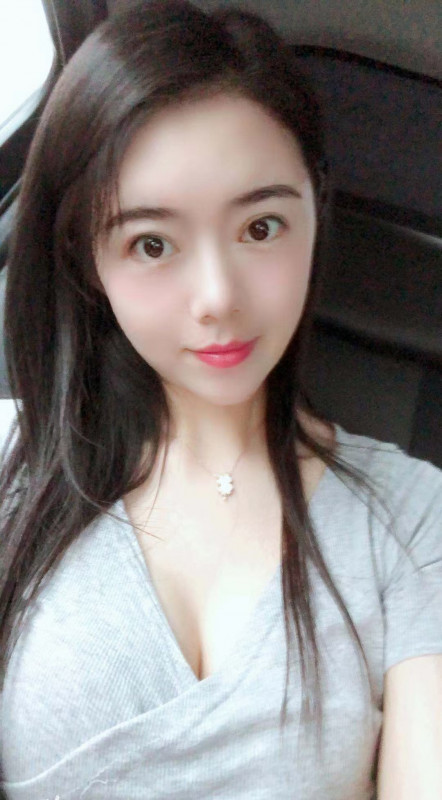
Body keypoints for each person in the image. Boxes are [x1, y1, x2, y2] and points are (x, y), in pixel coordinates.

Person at [0, 1, 441, 797]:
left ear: (315, 212)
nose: (218, 298)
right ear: (87, 259)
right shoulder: (13, 470)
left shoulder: (414, 517)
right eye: (152, 244)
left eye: (261, 228)